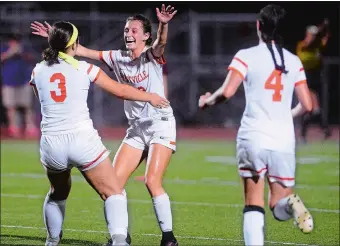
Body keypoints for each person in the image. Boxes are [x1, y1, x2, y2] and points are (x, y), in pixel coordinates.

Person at [31, 4, 179, 246]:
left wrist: (163, 23)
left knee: (152, 181)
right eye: (126, 30)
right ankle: (121, 237)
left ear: (146, 36)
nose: (128, 34)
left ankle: (168, 238)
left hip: (160, 123)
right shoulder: (115, 56)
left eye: (134, 30)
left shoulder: (151, 55)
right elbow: (80, 51)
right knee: (114, 186)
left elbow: (161, 43)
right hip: (137, 128)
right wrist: (57, 38)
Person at [198, 5, 313, 246]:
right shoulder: (293, 61)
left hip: (253, 135)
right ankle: (291, 205)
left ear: (259, 26)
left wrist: (206, 102)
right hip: (283, 139)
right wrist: (284, 114)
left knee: (254, 203)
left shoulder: (246, 55)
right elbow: (308, 105)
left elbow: (227, 92)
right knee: (278, 204)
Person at [296, 19, 331, 142]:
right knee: (311, 108)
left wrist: (325, 29)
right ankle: (321, 130)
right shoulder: (302, 45)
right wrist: (320, 28)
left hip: (316, 77)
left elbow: (325, 40)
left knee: (314, 110)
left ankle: (323, 130)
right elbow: (310, 43)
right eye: (311, 34)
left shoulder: (317, 46)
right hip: (305, 78)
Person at [1, 33, 39, 138]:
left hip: (24, 81)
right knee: (10, 106)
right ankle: (14, 128)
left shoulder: (25, 49)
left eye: (17, 41)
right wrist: (10, 53)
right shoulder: (4, 48)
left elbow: (33, 59)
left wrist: (21, 53)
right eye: (13, 41)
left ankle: (30, 127)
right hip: (8, 82)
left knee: (27, 106)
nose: (14, 43)